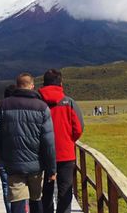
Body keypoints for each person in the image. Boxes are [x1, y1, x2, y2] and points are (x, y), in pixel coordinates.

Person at [0, 73, 56, 213]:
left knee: (17, 202)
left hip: (13, 164)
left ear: (17, 85)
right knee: (36, 200)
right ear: (32, 86)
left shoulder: (2, 106)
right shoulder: (42, 107)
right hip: (36, 165)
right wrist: (51, 169)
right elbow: (48, 142)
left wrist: (3, 155)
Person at [37, 69, 83, 213]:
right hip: (66, 153)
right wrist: (69, 140)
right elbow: (79, 128)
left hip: (42, 153)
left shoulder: (37, 103)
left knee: (45, 189)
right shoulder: (69, 103)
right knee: (65, 191)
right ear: (61, 83)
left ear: (44, 84)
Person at [0, 84, 18, 213]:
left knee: (6, 186)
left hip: (4, 154)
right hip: (23, 155)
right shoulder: (25, 108)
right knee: (22, 186)